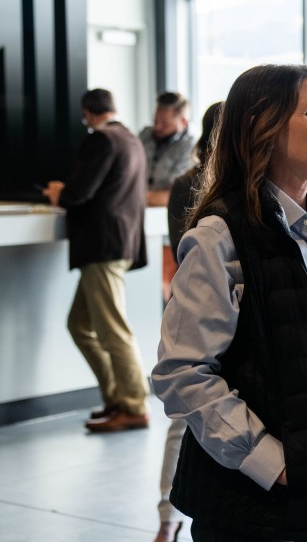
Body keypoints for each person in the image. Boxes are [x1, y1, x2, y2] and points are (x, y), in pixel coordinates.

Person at [152, 65, 307, 541]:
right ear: (262, 127)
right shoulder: (220, 237)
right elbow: (182, 374)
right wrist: (276, 464)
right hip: (252, 507)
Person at [43, 88, 150, 433]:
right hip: (118, 244)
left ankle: (134, 405)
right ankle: (117, 397)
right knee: (80, 325)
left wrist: (59, 192)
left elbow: (79, 193)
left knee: (113, 329)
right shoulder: (131, 139)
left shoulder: (102, 139)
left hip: (102, 247)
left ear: (87, 113)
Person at [154, 100, 223, 542]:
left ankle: (168, 519)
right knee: (197, 414)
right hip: (210, 310)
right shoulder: (230, 187)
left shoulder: (184, 182)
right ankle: (175, 515)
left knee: (182, 418)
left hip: (185, 302)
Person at [139, 91, 196, 208]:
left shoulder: (191, 148)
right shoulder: (145, 135)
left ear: (183, 122)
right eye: (155, 121)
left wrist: (137, 196)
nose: (157, 127)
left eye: (164, 123)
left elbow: (175, 194)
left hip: (167, 211)